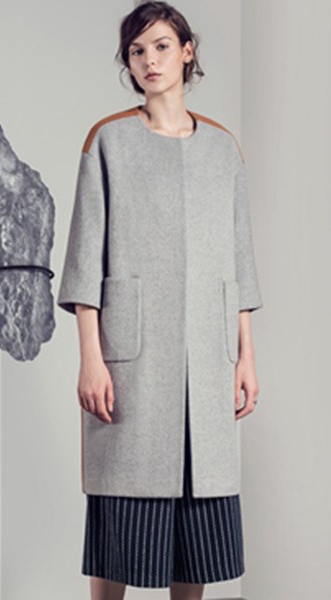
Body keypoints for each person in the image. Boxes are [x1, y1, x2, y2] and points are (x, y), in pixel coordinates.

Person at [57, 2, 263, 599]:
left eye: (162, 46)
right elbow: (84, 260)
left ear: (187, 51)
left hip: (208, 356)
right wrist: (90, 358)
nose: (150, 60)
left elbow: (240, 264)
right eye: (137, 50)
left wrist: (246, 357)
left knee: (197, 520)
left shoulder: (223, 149)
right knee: (121, 510)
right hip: (132, 360)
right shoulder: (108, 141)